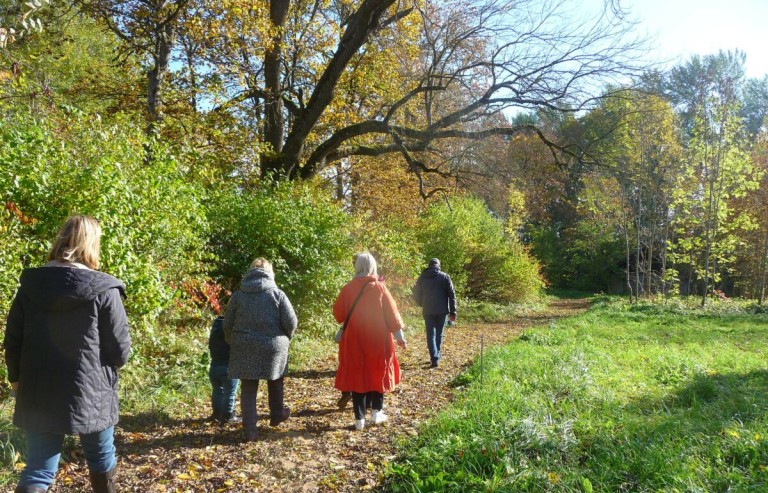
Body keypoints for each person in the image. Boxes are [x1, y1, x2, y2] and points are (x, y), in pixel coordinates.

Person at [3, 214, 131, 493]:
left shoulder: (30, 287)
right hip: (92, 390)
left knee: (38, 469)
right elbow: (120, 352)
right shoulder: (104, 290)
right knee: (100, 458)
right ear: (92, 245)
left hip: (38, 388)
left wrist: (16, 379)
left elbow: (12, 341)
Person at [223, 258, 297, 442]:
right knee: (275, 379)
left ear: (250, 272)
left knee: (248, 386)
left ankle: (250, 431)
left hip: (244, 344)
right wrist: (286, 337)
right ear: (270, 273)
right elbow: (291, 322)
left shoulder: (239, 295)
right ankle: (277, 414)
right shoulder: (277, 294)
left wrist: (231, 339)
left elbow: (227, 323)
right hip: (273, 345)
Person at [334, 252, 406, 431]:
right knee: (377, 371)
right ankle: (376, 412)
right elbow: (392, 314)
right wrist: (399, 337)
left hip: (354, 339)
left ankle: (359, 420)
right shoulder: (380, 288)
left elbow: (339, 315)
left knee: (357, 374)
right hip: (378, 338)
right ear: (372, 266)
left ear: (356, 267)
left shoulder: (348, 288)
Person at [411, 258, 457, 368]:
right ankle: (436, 356)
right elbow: (452, 295)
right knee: (439, 333)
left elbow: (416, 293)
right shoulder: (445, 277)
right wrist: (453, 311)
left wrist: (421, 303)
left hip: (428, 309)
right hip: (442, 311)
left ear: (429, 265)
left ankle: (434, 357)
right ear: (438, 266)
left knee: (430, 334)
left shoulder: (422, 277)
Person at [207, 315, 240, 424]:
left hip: (214, 367)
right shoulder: (232, 332)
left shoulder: (215, 331)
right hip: (228, 367)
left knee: (217, 390)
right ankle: (228, 416)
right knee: (230, 393)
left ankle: (216, 414)